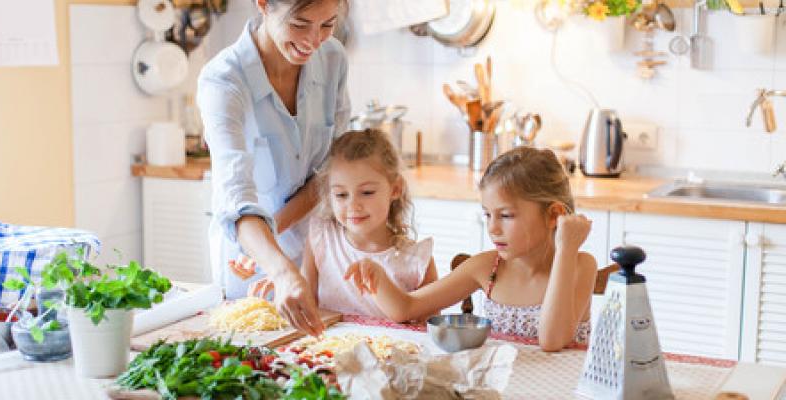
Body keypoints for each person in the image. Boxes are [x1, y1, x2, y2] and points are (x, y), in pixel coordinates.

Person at [345, 146, 598, 351]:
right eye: (487, 215)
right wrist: (377, 276)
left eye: (506, 216)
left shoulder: (579, 265)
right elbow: (407, 308)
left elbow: (552, 341)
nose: (493, 228)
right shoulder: (488, 267)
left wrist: (566, 249)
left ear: (554, 214)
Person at [197, 0, 349, 336]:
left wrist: (279, 230)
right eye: (300, 24)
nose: (313, 40)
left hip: (317, 257)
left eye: (327, 24)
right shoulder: (223, 80)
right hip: (250, 264)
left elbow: (333, 168)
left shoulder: (333, 58)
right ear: (264, 4)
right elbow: (235, 197)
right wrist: (279, 270)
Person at [243, 129, 438, 318]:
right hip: (328, 351)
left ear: (396, 189)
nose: (353, 205)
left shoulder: (417, 260)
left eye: (367, 192)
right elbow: (307, 304)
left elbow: (429, 334)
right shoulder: (321, 238)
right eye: (341, 195)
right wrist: (284, 286)